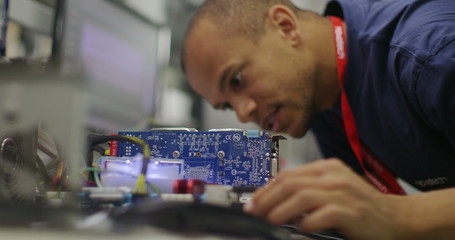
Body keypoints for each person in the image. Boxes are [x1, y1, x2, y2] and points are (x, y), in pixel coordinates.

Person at [181, 0, 455, 239]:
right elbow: (361, 215)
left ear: (285, 26)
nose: (243, 113)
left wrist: (398, 217)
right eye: (227, 106)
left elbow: (384, 215)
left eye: (237, 80)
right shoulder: (319, 99)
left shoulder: (432, 56)